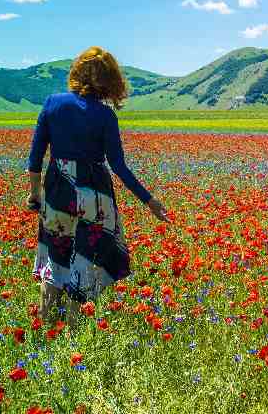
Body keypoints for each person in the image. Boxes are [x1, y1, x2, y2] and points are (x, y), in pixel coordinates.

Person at [25, 46, 168, 328]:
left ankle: (46, 332)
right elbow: (119, 166)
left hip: (58, 193)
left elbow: (35, 158)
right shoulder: (105, 116)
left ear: (77, 72)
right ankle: (74, 334)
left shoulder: (52, 103)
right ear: (110, 80)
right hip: (95, 196)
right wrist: (149, 200)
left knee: (55, 258)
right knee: (85, 260)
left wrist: (35, 194)